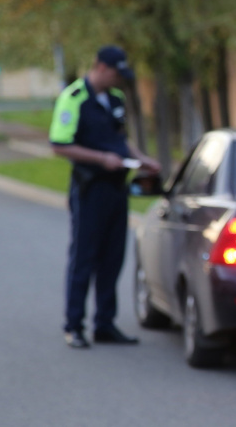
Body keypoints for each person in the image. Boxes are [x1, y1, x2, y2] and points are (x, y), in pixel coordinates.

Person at [49, 45, 160, 349]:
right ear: (99, 66)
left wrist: (142, 158)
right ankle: (74, 325)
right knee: (84, 257)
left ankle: (105, 324)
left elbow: (121, 141)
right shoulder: (74, 98)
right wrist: (101, 159)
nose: (119, 79)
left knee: (113, 257)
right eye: (115, 73)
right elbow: (59, 144)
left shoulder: (115, 99)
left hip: (116, 187)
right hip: (90, 188)